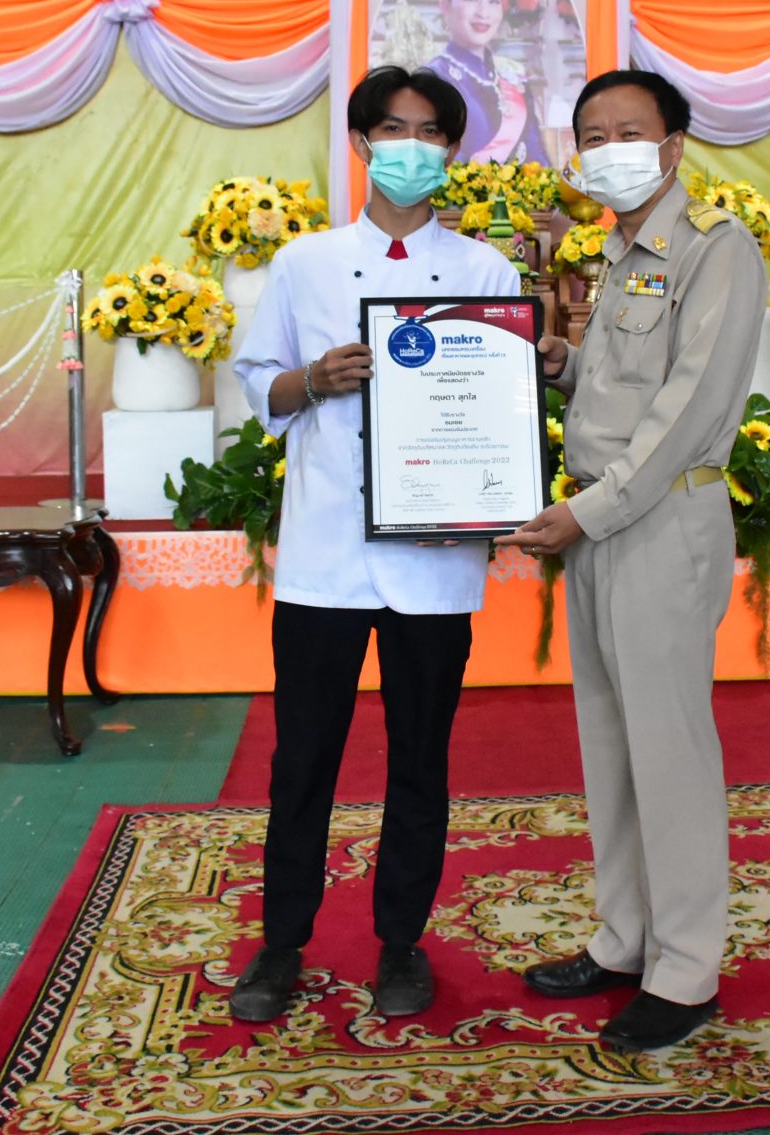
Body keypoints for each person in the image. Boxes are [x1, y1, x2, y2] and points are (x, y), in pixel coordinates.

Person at [226, 65, 519, 1023]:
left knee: (420, 760)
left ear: (453, 150)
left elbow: (501, 408)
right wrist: (312, 377)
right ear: (359, 143)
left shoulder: (485, 272)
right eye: (393, 129)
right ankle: (281, 943)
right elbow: (259, 383)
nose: (410, 148)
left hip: (434, 562)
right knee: (302, 759)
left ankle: (401, 942)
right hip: (323, 557)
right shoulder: (304, 263)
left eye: (431, 132)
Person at [497, 70, 765, 1052]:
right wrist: (558, 365)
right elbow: (620, 389)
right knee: (609, 742)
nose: (609, 149)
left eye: (628, 131)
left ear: (674, 145)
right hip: (599, 519)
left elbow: (687, 408)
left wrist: (587, 511)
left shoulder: (714, 249)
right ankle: (625, 939)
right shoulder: (615, 251)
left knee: (667, 747)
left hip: (656, 520)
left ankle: (685, 971)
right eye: (593, 135)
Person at [424, 0, 548, 166]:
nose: (484, 12)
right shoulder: (431, 79)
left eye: (493, 1)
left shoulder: (513, 76)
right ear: (445, 6)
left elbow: (537, 157)